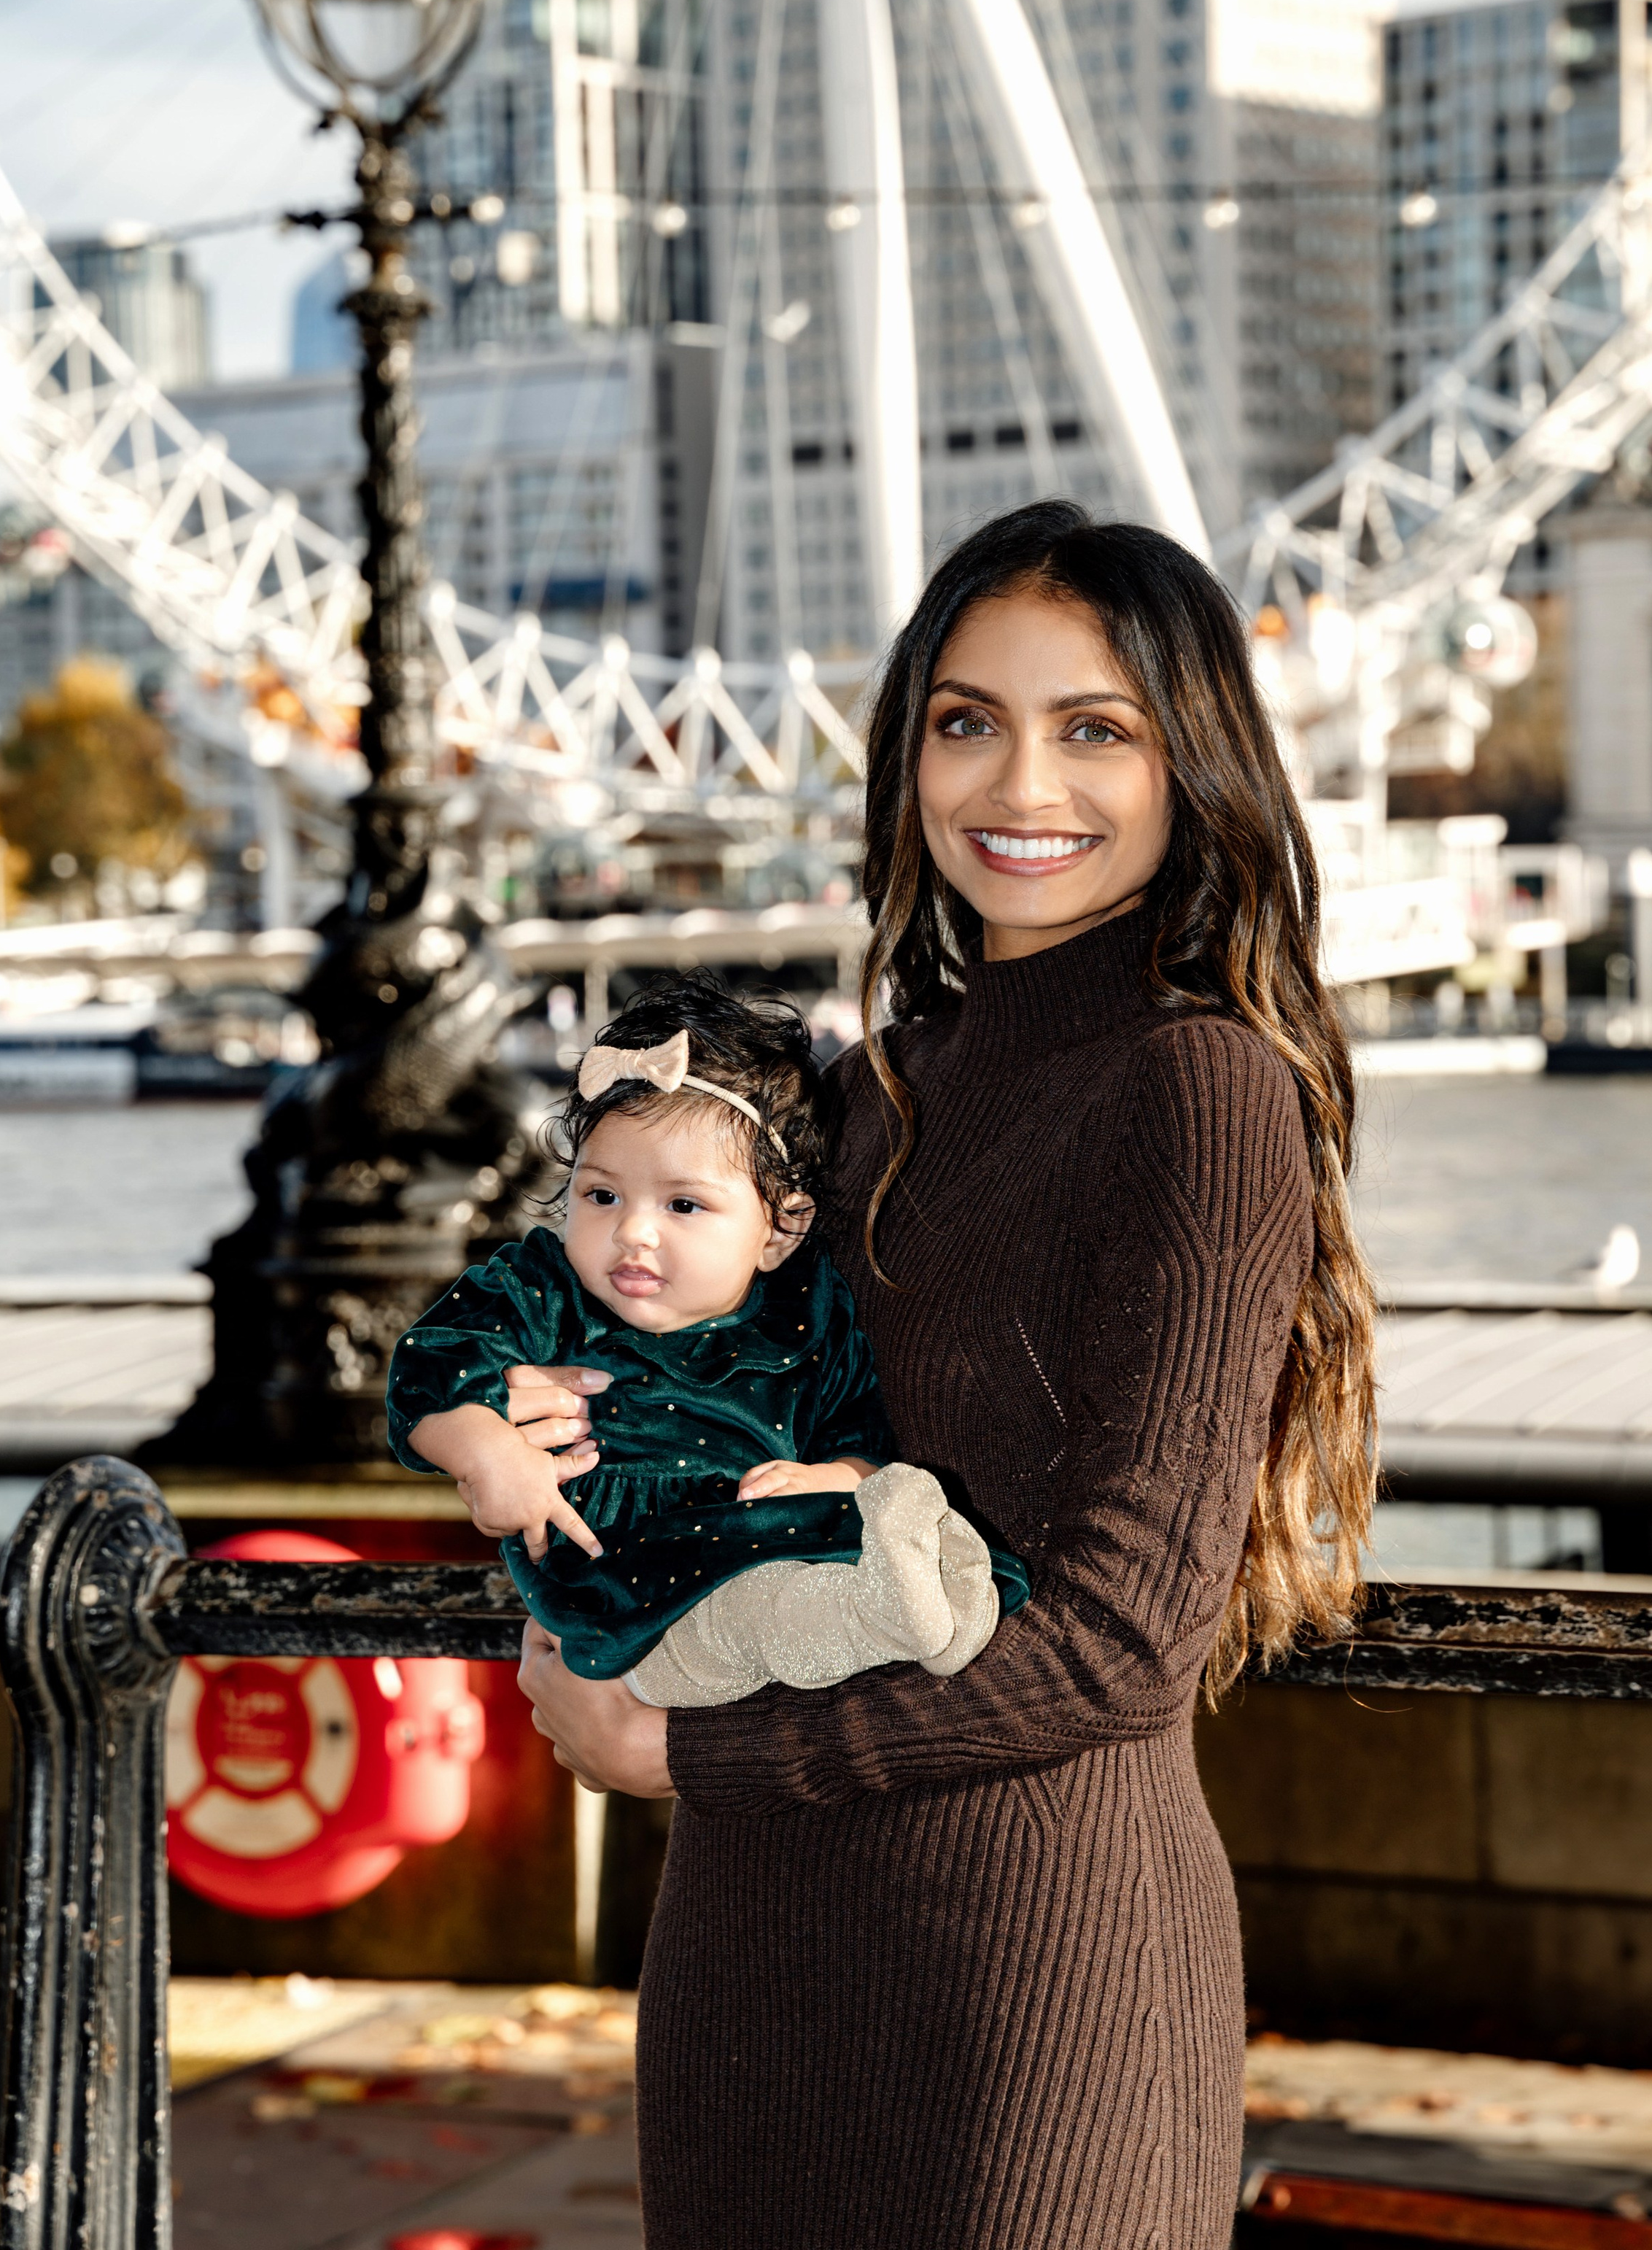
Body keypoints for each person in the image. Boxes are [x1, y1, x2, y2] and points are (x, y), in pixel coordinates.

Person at [511, 499, 1377, 2250]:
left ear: (1188, 764)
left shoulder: (1193, 1087)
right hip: (750, 1960)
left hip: (1024, 1971)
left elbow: (1125, 1639)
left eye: (1093, 727)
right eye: (964, 720)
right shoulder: (861, 1097)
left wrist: (688, 1751)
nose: (1015, 779)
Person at [387, 973, 1027, 1706]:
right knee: (745, 1621)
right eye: (601, 1195)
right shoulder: (545, 1286)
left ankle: (936, 1591)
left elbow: (860, 1428)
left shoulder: (807, 1312)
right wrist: (487, 1450)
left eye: (682, 1203)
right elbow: (429, 1370)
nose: (631, 1230)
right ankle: (881, 1616)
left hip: (773, 1523)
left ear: (781, 1229)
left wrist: (842, 1475)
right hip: (626, 1571)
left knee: (839, 1547)